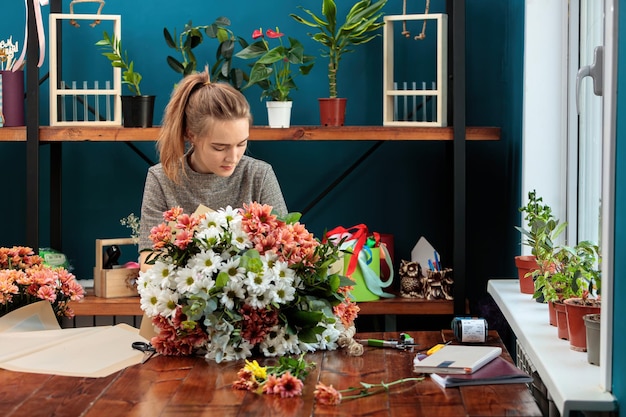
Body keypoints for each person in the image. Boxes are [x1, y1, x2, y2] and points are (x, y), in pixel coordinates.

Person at [138, 69, 287, 270]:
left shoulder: (259, 175)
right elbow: (149, 259)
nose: (233, 157)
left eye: (241, 144)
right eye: (220, 147)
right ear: (192, 135)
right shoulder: (161, 178)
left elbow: (286, 248)